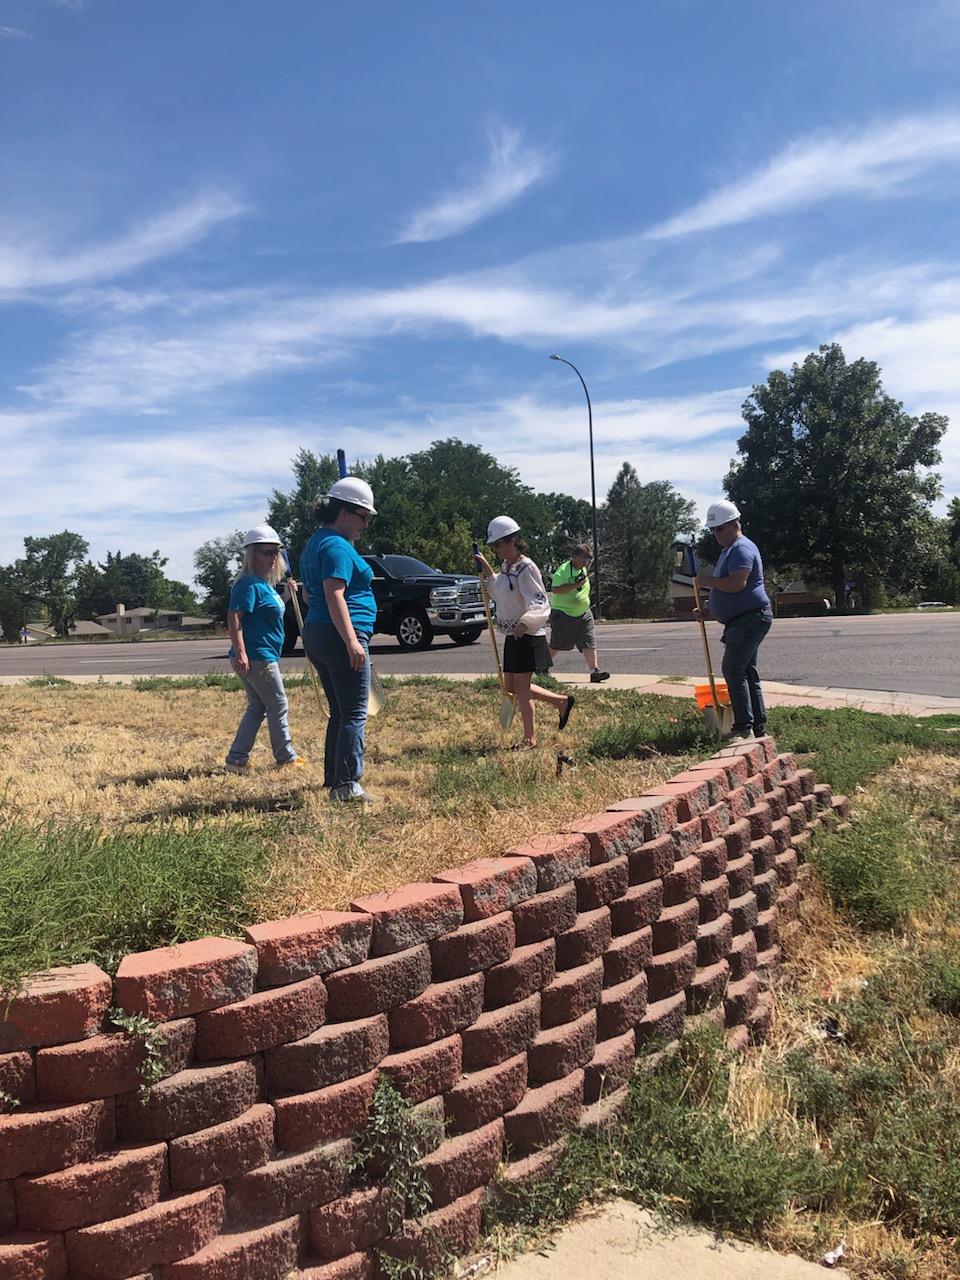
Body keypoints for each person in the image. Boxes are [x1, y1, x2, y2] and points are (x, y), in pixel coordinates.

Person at [300, 476, 379, 802]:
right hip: (340, 634)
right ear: (344, 512)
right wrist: (351, 640)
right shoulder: (336, 546)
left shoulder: (314, 544)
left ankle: (334, 779)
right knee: (355, 712)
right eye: (363, 517)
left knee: (340, 711)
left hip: (318, 632)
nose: (365, 524)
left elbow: (308, 594)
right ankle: (346, 786)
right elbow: (335, 594)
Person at [475, 516, 574, 750]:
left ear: (512, 541)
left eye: (498, 545)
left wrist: (526, 622)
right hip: (513, 635)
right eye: (493, 546)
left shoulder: (527, 568)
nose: (496, 550)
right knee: (510, 686)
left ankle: (530, 739)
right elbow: (501, 593)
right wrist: (488, 570)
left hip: (527, 634)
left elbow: (539, 601)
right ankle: (561, 702)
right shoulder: (507, 567)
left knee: (520, 686)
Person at [225, 526, 305, 774]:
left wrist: (287, 595)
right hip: (257, 656)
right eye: (267, 552)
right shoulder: (248, 584)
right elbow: (234, 617)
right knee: (278, 704)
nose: (273, 558)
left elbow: (270, 609)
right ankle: (286, 757)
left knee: (258, 707)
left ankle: (237, 759)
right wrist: (241, 653)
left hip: (260, 654)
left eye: (276, 553)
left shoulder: (264, 584)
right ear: (253, 555)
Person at [695, 500, 772, 742]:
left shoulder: (741, 548)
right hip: (742, 620)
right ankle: (757, 727)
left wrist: (707, 581)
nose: (716, 534)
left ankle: (743, 726)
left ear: (734, 524)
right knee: (747, 672)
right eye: (712, 530)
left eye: (720, 529)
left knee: (733, 669)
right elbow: (730, 592)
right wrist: (711, 612)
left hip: (750, 619)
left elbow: (737, 583)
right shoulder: (729, 550)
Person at [549, 543, 609, 682]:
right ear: (574, 556)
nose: (586, 561)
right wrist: (576, 585)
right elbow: (556, 589)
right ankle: (540, 664)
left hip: (583, 613)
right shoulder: (563, 570)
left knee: (588, 641)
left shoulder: (583, 570)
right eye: (583, 558)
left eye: (588, 558)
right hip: (563, 614)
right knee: (558, 645)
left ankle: (594, 672)